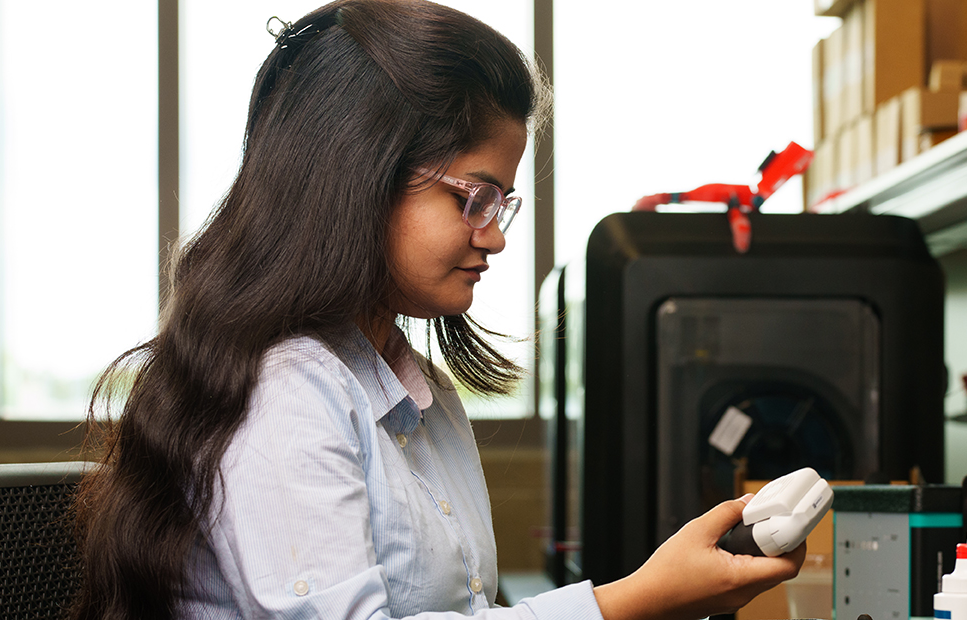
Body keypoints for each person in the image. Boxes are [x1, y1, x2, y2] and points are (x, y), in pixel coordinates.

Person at [70, 2, 805, 619]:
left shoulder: (423, 394)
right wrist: (632, 600)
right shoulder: (284, 389)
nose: (494, 237)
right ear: (358, 173)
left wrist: (660, 597)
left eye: (502, 205)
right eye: (472, 198)